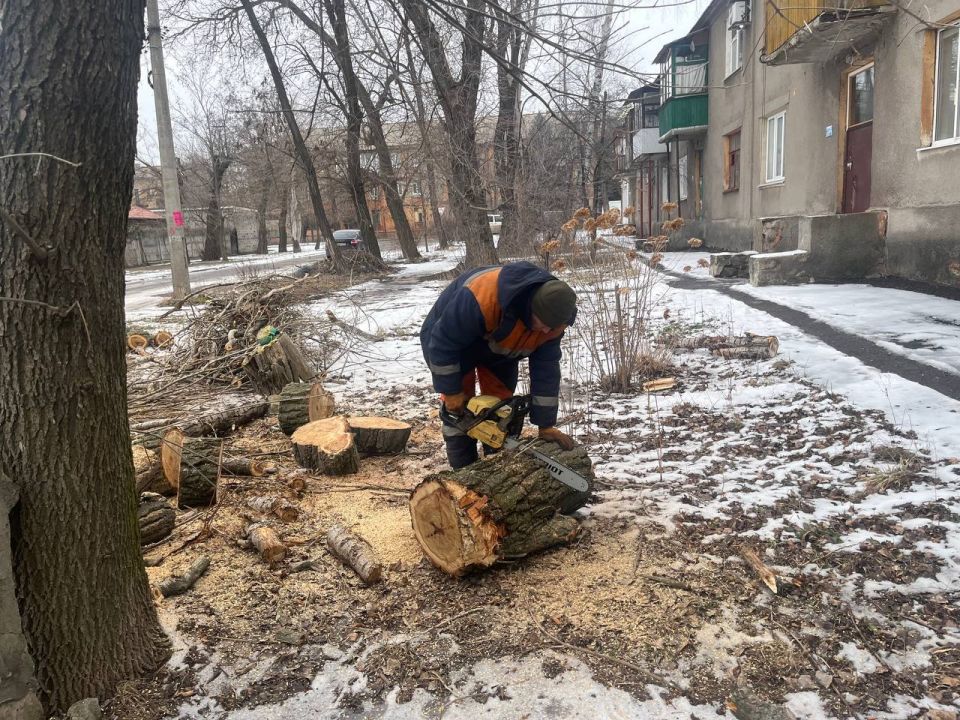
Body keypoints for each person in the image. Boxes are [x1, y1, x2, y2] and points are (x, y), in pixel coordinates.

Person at [420, 260, 578, 469]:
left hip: (501, 350)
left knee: (501, 409)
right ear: (530, 309)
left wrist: (545, 424)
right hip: (453, 346)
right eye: (543, 324)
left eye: (553, 327)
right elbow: (443, 341)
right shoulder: (483, 296)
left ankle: (497, 467)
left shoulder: (555, 319)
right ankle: (463, 470)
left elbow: (546, 370)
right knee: (458, 408)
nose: (547, 331)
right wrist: (450, 390)